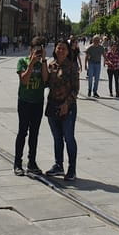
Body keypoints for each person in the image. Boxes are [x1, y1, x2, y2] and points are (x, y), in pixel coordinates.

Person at [14, 37, 48, 176]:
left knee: (34, 133)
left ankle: (32, 162)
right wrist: (32, 64)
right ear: (31, 49)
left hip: (38, 102)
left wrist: (44, 61)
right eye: (36, 50)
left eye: (40, 51)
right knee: (23, 132)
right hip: (25, 101)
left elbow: (45, 80)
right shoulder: (22, 61)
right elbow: (24, 80)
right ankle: (17, 163)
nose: (38, 53)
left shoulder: (42, 64)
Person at [45, 39, 79, 181]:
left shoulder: (71, 67)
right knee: (57, 137)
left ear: (68, 51)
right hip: (53, 104)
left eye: (64, 48)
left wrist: (67, 103)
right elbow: (46, 82)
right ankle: (58, 165)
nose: (61, 50)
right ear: (55, 49)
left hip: (68, 106)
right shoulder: (51, 65)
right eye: (59, 48)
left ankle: (72, 168)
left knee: (69, 137)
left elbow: (75, 89)